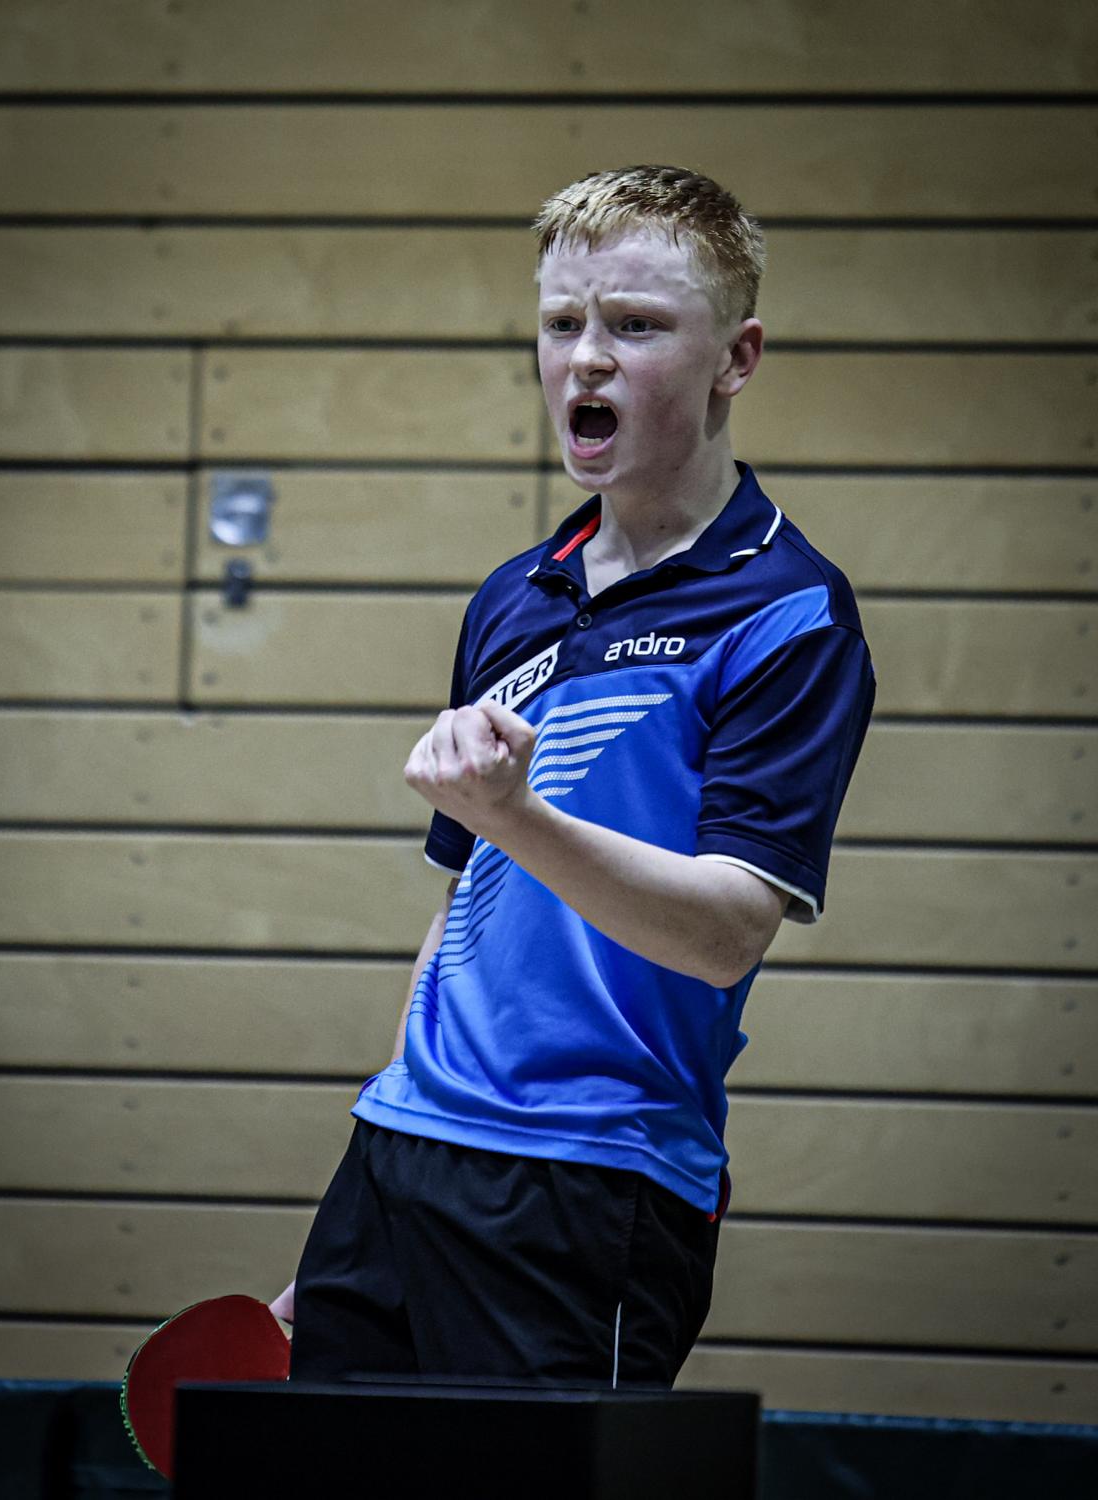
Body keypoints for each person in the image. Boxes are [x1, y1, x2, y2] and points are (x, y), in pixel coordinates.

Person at [271, 164, 875, 1390]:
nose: (586, 359)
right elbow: (464, 908)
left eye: (636, 326)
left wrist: (518, 814)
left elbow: (725, 935)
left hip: (592, 1181)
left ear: (737, 357)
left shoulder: (789, 615)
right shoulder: (515, 596)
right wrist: (370, 1177)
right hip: (403, 1155)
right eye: (562, 324)